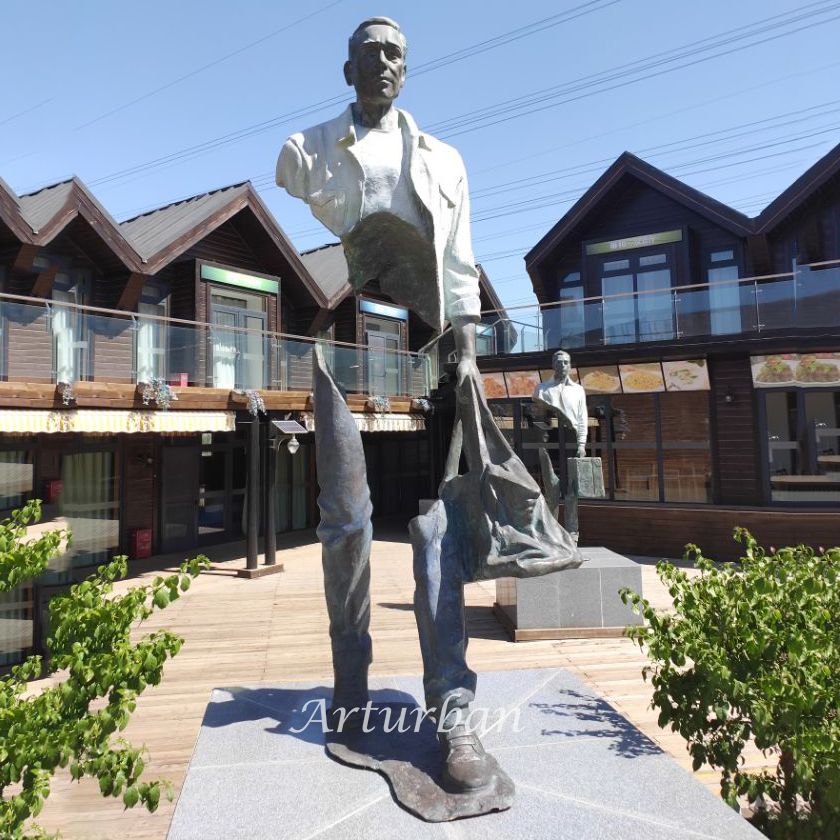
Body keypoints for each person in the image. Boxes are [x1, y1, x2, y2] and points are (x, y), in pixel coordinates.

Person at [276, 17, 493, 792]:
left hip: (427, 350)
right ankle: (351, 678)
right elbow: (301, 193)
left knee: (438, 529)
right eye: (371, 53)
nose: (384, 64)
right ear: (347, 69)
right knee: (346, 520)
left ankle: (454, 710)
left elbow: (460, 264)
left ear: (409, 69)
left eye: (396, 54)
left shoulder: (444, 160)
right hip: (340, 333)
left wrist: (466, 348)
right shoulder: (307, 152)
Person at [532, 350, 588, 458]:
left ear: (570, 366)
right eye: (558, 362)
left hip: (572, 437)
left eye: (565, 362)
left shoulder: (578, 390)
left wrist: (581, 445)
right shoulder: (542, 389)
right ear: (553, 365)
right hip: (549, 438)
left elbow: (582, 418)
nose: (562, 365)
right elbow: (538, 417)